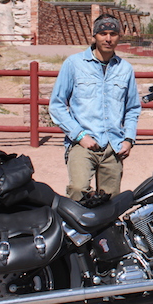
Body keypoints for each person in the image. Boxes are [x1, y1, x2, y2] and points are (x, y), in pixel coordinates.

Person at [49, 14, 141, 201]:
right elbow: (57, 105)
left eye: (113, 33)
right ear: (94, 36)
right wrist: (80, 136)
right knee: (77, 189)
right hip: (82, 143)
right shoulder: (74, 64)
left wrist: (129, 139)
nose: (108, 39)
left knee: (110, 201)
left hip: (113, 146)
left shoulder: (125, 69)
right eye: (103, 33)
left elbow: (132, 108)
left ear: (119, 36)